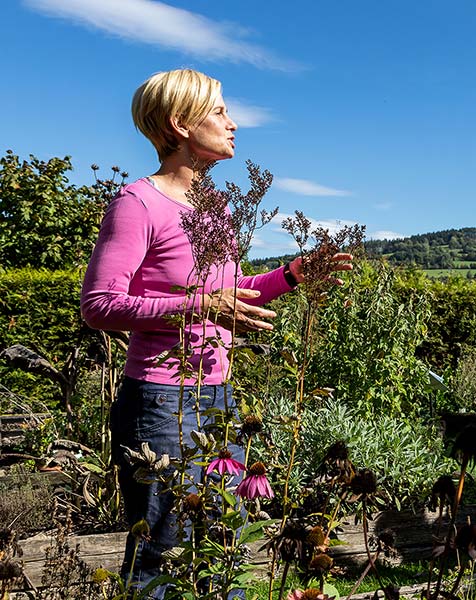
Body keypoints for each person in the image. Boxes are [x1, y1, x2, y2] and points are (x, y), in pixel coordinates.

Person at [80, 69, 352, 595]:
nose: (234, 123)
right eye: (220, 111)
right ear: (180, 124)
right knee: (163, 555)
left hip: (218, 396)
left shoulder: (215, 210)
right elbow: (99, 305)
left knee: (225, 544)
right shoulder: (137, 204)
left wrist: (293, 275)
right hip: (161, 403)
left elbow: (230, 291)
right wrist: (202, 304)